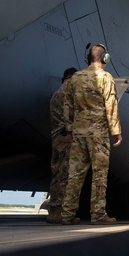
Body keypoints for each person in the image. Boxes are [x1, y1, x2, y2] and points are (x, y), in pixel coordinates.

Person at [54, 44, 122, 225]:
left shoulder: (75, 78)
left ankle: (67, 214)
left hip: (78, 133)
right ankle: (98, 214)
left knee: (75, 175)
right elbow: (111, 106)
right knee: (99, 175)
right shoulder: (106, 77)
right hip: (98, 134)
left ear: (88, 58)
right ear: (104, 58)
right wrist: (116, 131)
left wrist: (69, 127)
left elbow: (67, 105)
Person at [45, 66, 78, 223]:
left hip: (58, 139)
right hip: (67, 139)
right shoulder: (67, 95)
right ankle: (59, 212)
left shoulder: (57, 94)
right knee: (65, 176)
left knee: (58, 175)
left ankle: (55, 211)